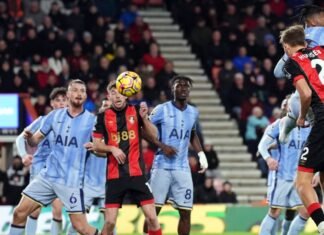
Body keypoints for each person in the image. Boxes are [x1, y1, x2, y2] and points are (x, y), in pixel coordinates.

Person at [9, 79, 99, 235]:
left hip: (71, 182)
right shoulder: (54, 116)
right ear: (69, 94)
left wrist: (100, 148)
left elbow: (101, 149)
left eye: (82, 91)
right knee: (19, 213)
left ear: (85, 96)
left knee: (81, 227)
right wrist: (30, 139)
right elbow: (34, 139)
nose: (79, 94)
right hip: (47, 176)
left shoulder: (92, 121)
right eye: (75, 90)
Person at [90, 81, 162, 235]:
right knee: (109, 223)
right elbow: (96, 145)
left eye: (120, 92)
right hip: (114, 176)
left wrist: (145, 119)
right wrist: (112, 148)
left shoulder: (136, 111)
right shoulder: (102, 116)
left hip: (137, 175)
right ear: (109, 96)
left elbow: (154, 136)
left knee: (152, 218)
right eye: (113, 93)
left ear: (127, 94)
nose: (117, 96)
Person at [143, 75, 208, 235]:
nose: (183, 88)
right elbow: (143, 130)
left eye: (186, 86)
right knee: (153, 212)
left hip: (182, 169)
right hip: (161, 167)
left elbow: (192, 133)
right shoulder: (161, 109)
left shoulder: (193, 112)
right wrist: (162, 146)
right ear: (172, 89)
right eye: (179, 85)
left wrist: (201, 154)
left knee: (186, 212)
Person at [280, 25, 324, 233]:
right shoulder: (322, 51)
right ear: (305, 43)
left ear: (287, 47)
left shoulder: (292, 62)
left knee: (302, 182)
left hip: (322, 117)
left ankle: (322, 225)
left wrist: (300, 117)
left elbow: (305, 95)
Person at [15, 87, 67, 235]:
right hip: (40, 168)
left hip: (60, 171)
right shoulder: (43, 121)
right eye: (58, 100)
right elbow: (21, 138)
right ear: (52, 103)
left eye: (64, 100)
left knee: (57, 209)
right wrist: (24, 155)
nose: (62, 103)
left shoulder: (73, 124)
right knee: (35, 209)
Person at [258, 96, 311, 235]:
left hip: (299, 178)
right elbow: (262, 145)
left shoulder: (311, 127)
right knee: (274, 212)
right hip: (282, 176)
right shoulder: (279, 124)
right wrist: (268, 159)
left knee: (305, 212)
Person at [273, 5, 324, 143]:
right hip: (311, 96)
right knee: (299, 100)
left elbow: (278, 73)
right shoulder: (308, 37)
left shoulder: (302, 38)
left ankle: (288, 126)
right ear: (313, 21)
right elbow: (278, 73)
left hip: (312, 94)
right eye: (323, 16)